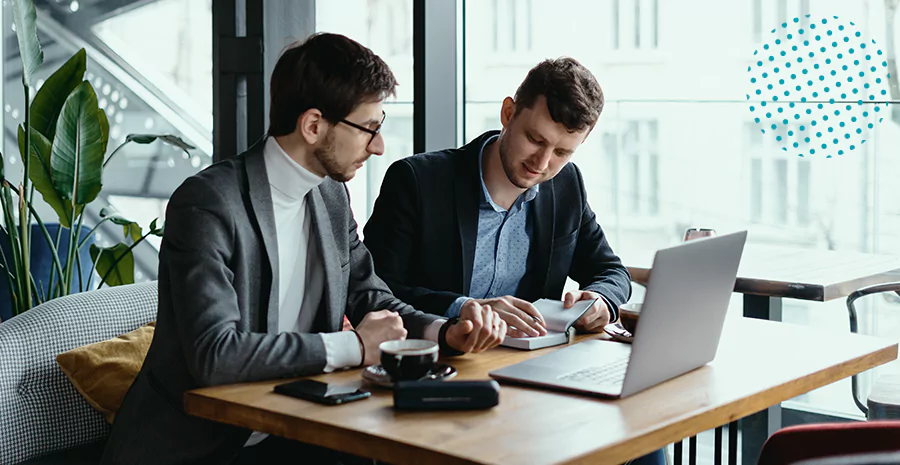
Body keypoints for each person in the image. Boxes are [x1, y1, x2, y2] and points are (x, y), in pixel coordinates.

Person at [102, 33, 506, 465]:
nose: (379, 146)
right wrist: (354, 348)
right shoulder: (208, 203)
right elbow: (215, 355)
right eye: (368, 128)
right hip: (195, 446)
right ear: (313, 126)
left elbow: (370, 296)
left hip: (295, 427)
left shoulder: (329, 195)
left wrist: (444, 332)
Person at [364, 57, 666, 465]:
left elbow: (610, 270)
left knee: (644, 430)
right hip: (447, 379)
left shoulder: (566, 185)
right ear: (508, 113)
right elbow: (378, 291)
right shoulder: (417, 182)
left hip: (533, 381)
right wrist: (462, 308)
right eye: (535, 139)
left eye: (561, 151)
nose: (542, 164)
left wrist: (600, 301)